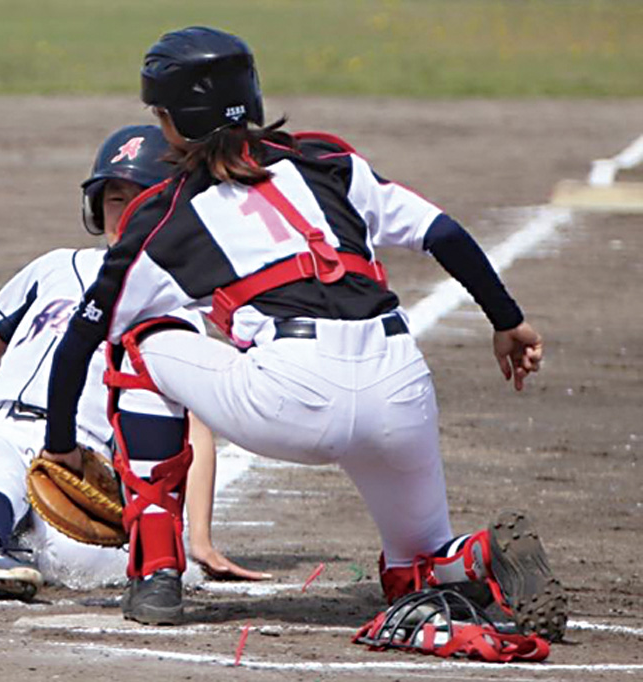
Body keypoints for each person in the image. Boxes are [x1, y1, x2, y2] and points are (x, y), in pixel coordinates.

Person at [40, 27, 566, 640]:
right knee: (414, 574)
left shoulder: (165, 214)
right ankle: (476, 556)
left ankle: (156, 569)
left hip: (290, 397)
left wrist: (60, 444)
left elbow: (84, 338)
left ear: (174, 123)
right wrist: (509, 322)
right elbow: (444, 234)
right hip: (400, 387)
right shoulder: (329, 162)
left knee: (142, 341)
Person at [0, 124, 264, 601]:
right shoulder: (53, 266)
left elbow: (193, 425)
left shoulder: (174, 305)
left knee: (132, 567)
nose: (126, 213)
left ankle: (3, 537)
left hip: (77, 454)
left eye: (142, 199)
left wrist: (199, 541)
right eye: (115, 199)